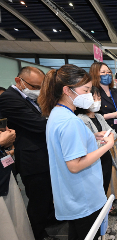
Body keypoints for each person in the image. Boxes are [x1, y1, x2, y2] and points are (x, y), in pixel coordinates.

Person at [38, 64, 113, 240]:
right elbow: (74, 165)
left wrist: (91, 137)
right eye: (86, 90)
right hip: (83, 197)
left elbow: (66, 146)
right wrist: (106, 146)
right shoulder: (70, 121)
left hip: (72, 195)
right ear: (67, 90)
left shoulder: (57, 114)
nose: (89, 95)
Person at [0, 66, 57, 240]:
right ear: (19, 81)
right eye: (34, 86)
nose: (38, 91)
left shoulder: (32, 98)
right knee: (38, 199)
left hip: (43, 155)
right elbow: (39, 124)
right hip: (32, 159)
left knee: (46, 195)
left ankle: (47, 221)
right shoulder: (9, 99)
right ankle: (38, 234)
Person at [76, 86, 117, 216]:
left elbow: (114, 133)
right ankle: (97, 212)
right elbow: (88, 143)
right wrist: (106, 138)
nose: (97, 101)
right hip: (92, 160)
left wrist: (105, 138)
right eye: (93, 98)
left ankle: (102, 209)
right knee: (94, 187)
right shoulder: (80, 119)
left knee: (104, 184)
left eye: (99, 98)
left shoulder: (99, 116)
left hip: (105, 157)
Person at [89, 62, 117, 204]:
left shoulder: (115, 91)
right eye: (103, 72)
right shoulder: (93, 92)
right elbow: (94, 114)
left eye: (109, 72)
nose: (107, 75)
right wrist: (115, 115)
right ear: (95, 74)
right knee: (109, 169)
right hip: (103, 136)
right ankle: (107, 199)